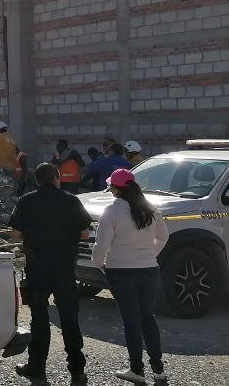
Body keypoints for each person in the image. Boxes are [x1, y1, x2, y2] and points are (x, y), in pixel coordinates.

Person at [9, 163, 92, 385]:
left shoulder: (27, 201)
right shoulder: (71, 200)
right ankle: (77, 370)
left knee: (39, 319)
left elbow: (15, 234)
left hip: (38, 268)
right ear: (56, 177)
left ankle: (36, 368)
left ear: (37, 180)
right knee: (69, 319)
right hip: (64, 268)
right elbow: (85, 233)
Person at [90, 169, 169, 384]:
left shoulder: (112, 211)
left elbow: (101, 245)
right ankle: (159, 370)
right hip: (150, 270)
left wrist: (98, 264)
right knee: (147, 317)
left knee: (131, 321)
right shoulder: (150, 209)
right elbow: (163, 236)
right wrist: (149, 254)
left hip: (121, 271)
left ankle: (136, 369)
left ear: (115, 189)